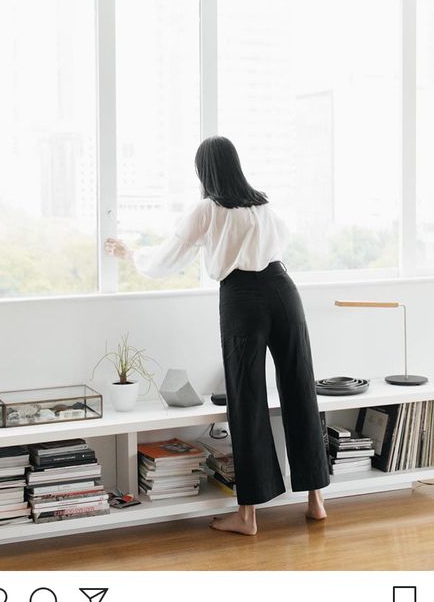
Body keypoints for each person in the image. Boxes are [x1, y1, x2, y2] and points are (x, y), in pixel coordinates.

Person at [105, 136, 330, 535]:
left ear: (203, 171)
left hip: (242, 297)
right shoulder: (263, 205)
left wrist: (130, 255)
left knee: (247, 397)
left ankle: (248, 516)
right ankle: (316, 501)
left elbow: (168, 258)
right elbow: (281, 243)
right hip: (283, 289)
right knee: (299, 387)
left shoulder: (207, 209)